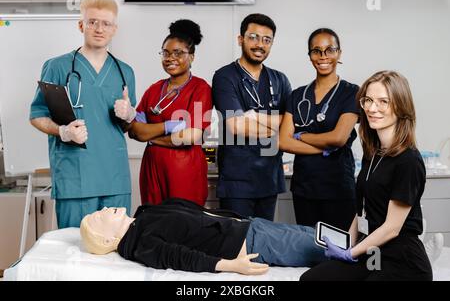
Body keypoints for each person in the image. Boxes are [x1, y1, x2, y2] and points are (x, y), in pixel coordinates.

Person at [300, 70, 433, 281]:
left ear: (400, 106)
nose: (372, 108)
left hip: (402, 260)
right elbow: (361, 209)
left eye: (383, 102)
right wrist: (349, 244)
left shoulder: (409, 161)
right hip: (372, 250)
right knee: (311, 279)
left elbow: (391, 228)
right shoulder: (373, 154)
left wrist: (350, 253)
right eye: (368, 100)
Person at [29, 0, 137, 228]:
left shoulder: (124, 72)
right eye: (93, 22)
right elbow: (36, 115)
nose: (99, 29)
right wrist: (63, 131)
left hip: (114, 180)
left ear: (114, 29)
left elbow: (127, 127)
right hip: (76, 177)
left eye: (106, 23)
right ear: (81, 25)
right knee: (73, 252)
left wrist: (129, 115)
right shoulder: (57, 67)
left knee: (114, 252)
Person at [80, 198, 327, 274]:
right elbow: (180, 257)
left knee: (319, 236)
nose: (102, 210)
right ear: (107, 240)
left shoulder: (142, 217)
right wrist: (231, 266)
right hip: (251, 242)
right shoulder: (141, 243)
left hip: (250, 226)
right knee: (331, 251)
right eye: (99, 218)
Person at [212, 13, 292, 220]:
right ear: (241, 39)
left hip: (269, 178)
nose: (260, 44)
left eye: (267, 40)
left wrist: (253, 116)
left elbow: (292, 123)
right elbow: (236, 127)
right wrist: (275, 125)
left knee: (264, 240)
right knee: (237, 244)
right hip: (237, 181)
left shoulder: (280, 79)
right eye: (253, 37)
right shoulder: (225, 76)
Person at [125, 19, 213, 206]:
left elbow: (190, 137)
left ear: (192, 57)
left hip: (185, 173)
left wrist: (151, 137)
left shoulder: (200, 88)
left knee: (184, 227)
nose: (170, 58)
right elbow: (134, 131)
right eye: (165, 52)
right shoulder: (153, 90)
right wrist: (167, 127)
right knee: (154, 225)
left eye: (178, 53)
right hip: (152, 172)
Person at [279, 28, 359, 230]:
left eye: (330, 50)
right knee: (308, 248)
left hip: (338, 186)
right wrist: (325, 147)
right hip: (305, 188)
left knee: (340, 249)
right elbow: (283, 141)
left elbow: (339, 138)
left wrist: (302, 135)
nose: (323, 56)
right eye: (316, 51)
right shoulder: (297, 95)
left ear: (339, 53)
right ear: (310, 56)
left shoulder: (351, 92)